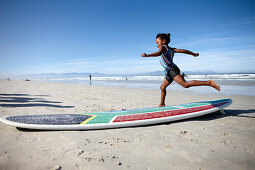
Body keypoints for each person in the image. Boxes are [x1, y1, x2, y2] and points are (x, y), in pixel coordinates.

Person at [141, 33, 221, 107]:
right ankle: (162, 104)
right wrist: (193, 54)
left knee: (185, 84)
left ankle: (209, 82)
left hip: (172, 70)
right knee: (162, 87)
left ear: (164, 41)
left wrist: (147, 55)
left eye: (158, 43)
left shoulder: (163, 47)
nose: (157, 45)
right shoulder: (172, 49)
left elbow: (158, 53)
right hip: (169, 72)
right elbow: (183, 51)